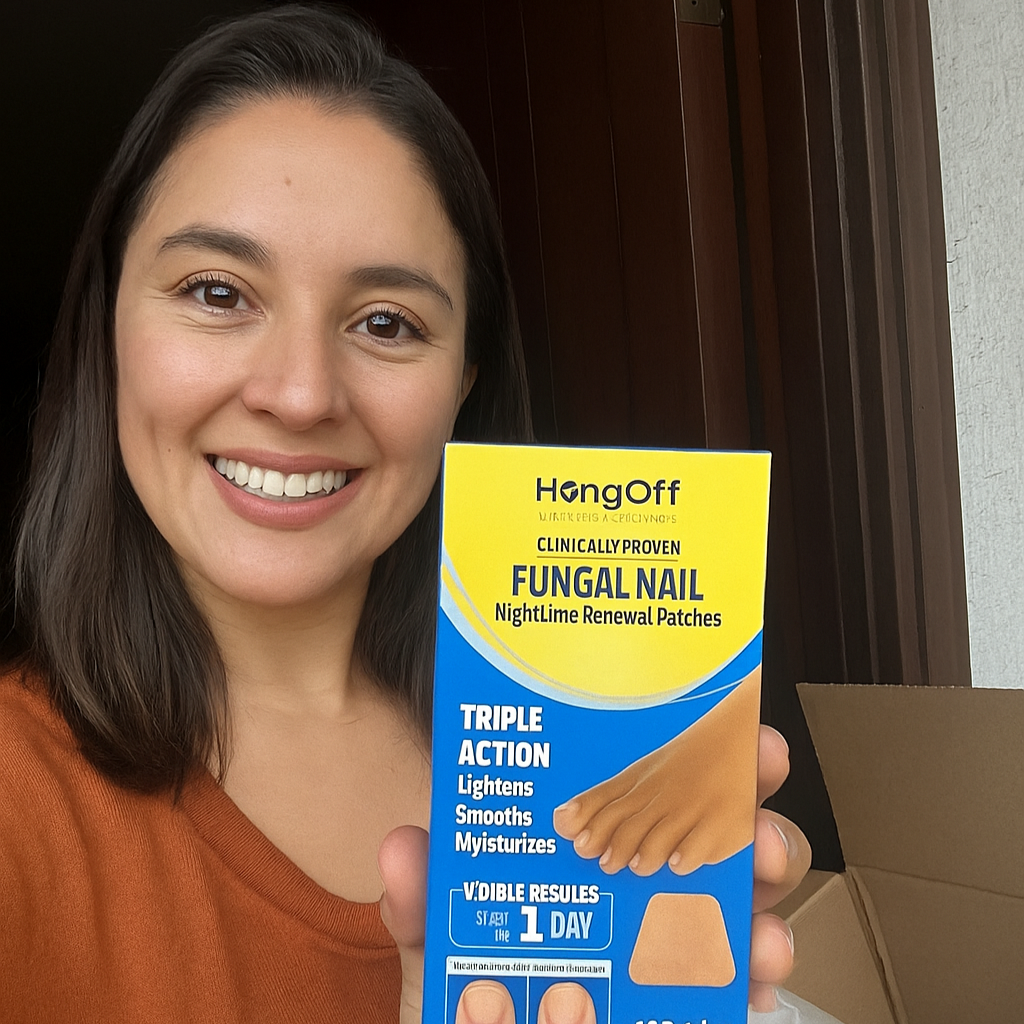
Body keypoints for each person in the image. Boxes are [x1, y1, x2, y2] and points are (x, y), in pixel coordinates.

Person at [1, 6, 810, 1023]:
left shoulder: (597, 776)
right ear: (107, 328)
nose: (301, 394)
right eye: (216, 293)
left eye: (385, 322)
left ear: (462, 386)